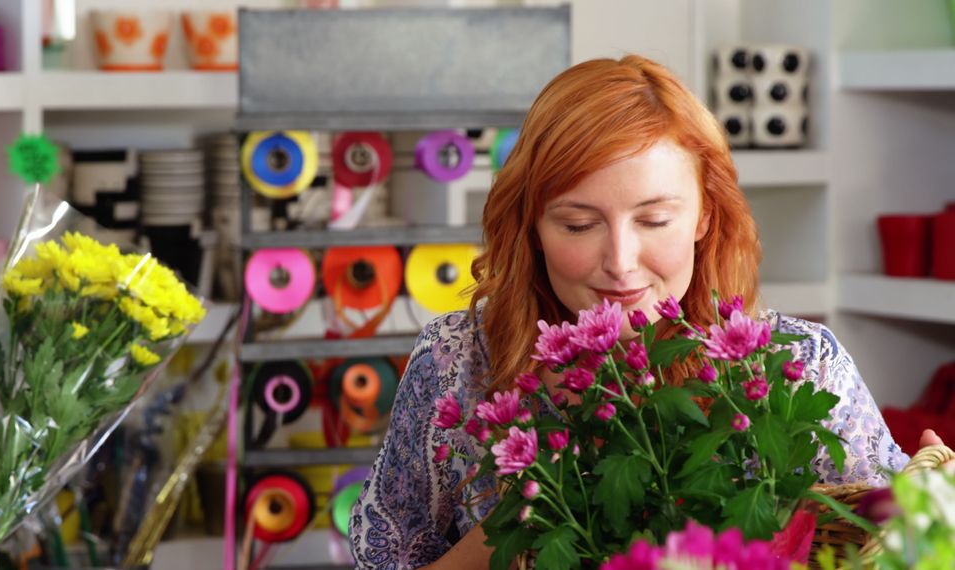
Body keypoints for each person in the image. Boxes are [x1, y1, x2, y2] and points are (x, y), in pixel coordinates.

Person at [348, 55, 934, 569]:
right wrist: (520, 524)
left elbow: (889, 543)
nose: (621, 264)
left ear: (706, 216)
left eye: (655, 220)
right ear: (531, 226)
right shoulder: (457, 362)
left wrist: (931, 501)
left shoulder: (798, 364)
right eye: (579, 224)